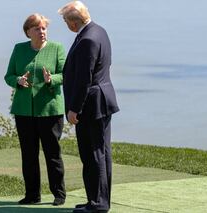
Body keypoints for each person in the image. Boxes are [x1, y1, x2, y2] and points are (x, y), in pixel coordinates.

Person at [58, 1, 119, 213]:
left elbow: (85, 78)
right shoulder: (98, 31)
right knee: (98, 152)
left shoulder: (88, 39)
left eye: (66, 21)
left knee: (94, 154)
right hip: (100, 100)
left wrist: (75, 108)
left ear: (74, 22)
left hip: (92, 105)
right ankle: (96, 199)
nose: (66, 25)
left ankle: (98, 203)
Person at [4, 13, 66, 206]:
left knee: (52, 154)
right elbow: (9, 76)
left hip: (50, 111)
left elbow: (65, 74)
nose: (42, 32)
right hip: (24, 111)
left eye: (44, 28)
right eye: (37, 29)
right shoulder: (19, 49)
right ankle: (32, 195)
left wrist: (52, 79)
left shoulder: (57, 49)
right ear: (28, 32)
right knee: (29, 155)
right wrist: (18, 81)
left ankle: (59, 194)